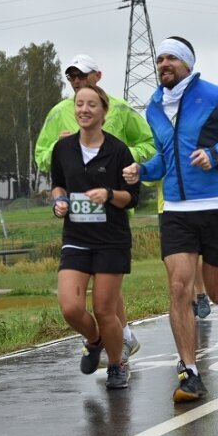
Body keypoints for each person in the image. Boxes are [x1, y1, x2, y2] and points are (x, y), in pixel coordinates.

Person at [122, 36, 218, 403]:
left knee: (216, 291)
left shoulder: (215, 96)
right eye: (160, 58)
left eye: (172, 58)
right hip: (176, 211)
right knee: (180, 288)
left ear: (187, 63)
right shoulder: (153, 106)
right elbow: (166, 161)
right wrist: (142, 170)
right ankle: (189, 371)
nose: (163, 63)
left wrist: (216, 153)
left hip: (217, 204)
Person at [35, 54, 155, 365]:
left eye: (83, 75)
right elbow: (42, 157)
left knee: (105, 300)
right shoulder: (58, 113)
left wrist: (129, 163)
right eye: (72, 77)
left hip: (113, 216)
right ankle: (110, 339)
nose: (77, 82)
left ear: (98, 77)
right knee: (86, 302)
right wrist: (60, 156)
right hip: (77, 223)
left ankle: (118, 351)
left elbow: (149, 145)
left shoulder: (120, 111)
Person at [51, 84, 140, 389]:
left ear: (103, 112)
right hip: (76, 236)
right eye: (79, 104)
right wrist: (58, 202)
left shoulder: (117, 150)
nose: (84, 110)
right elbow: (58, 185)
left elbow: (131, 197)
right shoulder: (63, 148)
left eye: (91, 105)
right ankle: (94, 339)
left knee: (104, 309)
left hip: (111, 240)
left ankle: (117, 364)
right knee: (71, 308)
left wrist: (110, 193)